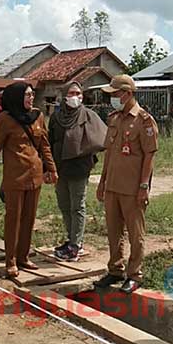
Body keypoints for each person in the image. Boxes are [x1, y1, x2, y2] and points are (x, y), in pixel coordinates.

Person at [0, 82, 57, 278]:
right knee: (13, 219)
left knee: (29, 218)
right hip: (15, 177)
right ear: (16, 97)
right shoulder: (5, 119)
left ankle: (23, 256)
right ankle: (11, 261)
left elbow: (45, 146)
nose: (31, 98)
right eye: (27, 95)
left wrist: (52, 168)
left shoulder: (38, 116)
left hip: (35, 175)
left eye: (32, 95)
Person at [94, 75, 158, 294]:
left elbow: (149, 156)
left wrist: (143, 186)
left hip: (132, 189)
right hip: (112, 185)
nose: (112, 98)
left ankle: (134, 274)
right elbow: (109, 154)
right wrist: (102, 181)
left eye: (115, 94)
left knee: (135, 233)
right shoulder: (114, 119)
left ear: (127, 93)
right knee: (113, 232)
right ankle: (115, 269)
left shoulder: (144, 120)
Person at [48, 82, 107, 261]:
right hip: (60, 166)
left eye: (79, 93)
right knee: (64, 205)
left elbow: (102, 138)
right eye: (72, 93)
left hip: (80, 167)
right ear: (65, 95)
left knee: (77, 205)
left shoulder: (88, 115)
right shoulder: (56, 117)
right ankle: (70, 239)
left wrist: (84, 150)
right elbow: (50, 141)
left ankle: (76, 244)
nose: (76, 96)